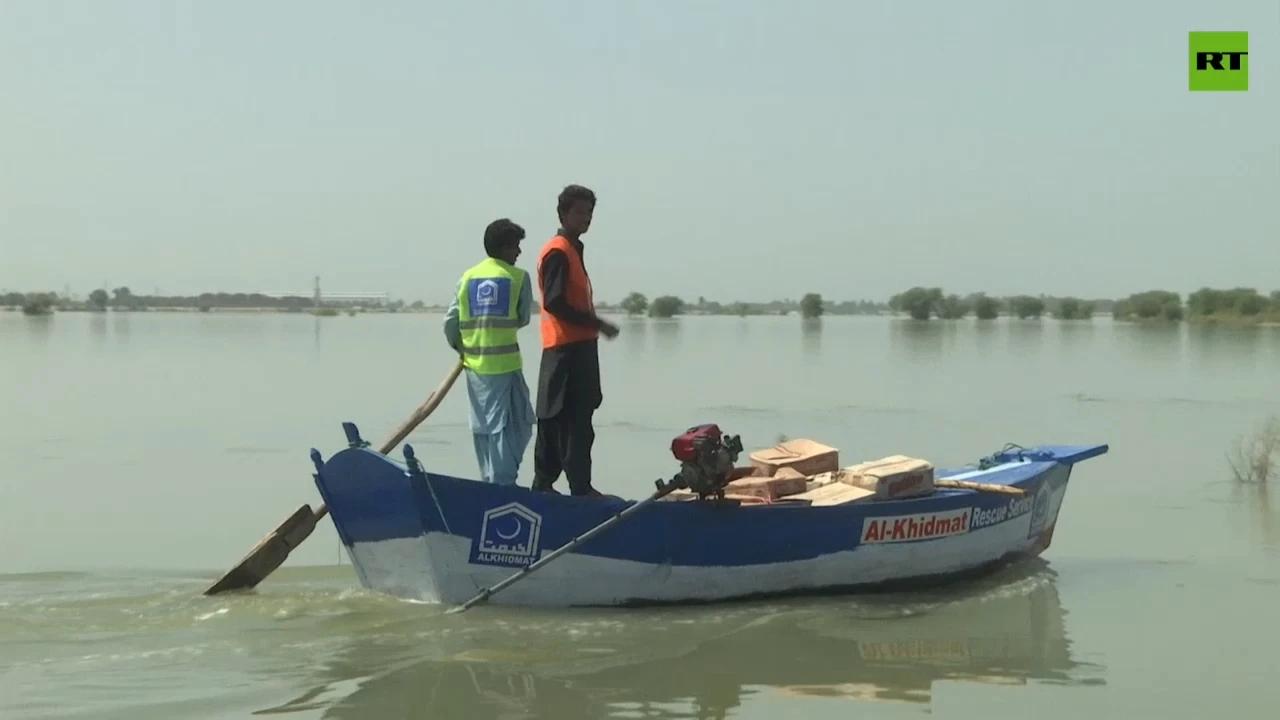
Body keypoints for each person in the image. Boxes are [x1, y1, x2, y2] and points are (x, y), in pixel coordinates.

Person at [531, 184, 620, 496]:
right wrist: (597, 322)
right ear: (563, 213)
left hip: (578, 346)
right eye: (580, 212)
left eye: (589, 213)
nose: (586, 218)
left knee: (579, 418)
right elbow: (554, 302)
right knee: (561, 420)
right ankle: (558, 487)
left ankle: (571, 486)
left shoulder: (573, 249)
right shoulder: (558, 250)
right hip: (565, 349)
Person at [443, 218, 537, 486]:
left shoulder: (466, 278)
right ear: (505, 248)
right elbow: (522, 317)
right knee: (514, 425)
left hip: (475, 367)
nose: (519, 252)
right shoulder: (518, 278)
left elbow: (450, 323)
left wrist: (462, 348)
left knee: (488, 428)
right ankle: (501, 484)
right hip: (505, 365)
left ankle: (492, 480)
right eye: (516, 246)